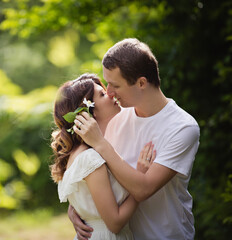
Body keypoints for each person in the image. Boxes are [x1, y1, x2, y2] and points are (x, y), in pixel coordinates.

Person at [70, 38, 200, 240]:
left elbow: (143, 188)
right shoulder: (115, 117)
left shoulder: (182, 128)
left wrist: (101, 144)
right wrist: (77, 206)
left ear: (141, 83)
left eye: (115, 86)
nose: (109, 93)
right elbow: (95, 172)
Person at [50, 73, 156, 239]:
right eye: (102, 94)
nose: (110, 94)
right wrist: (140, 178)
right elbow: (115, 223)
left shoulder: (89, 150)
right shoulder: (90, 158)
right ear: (88, 112)